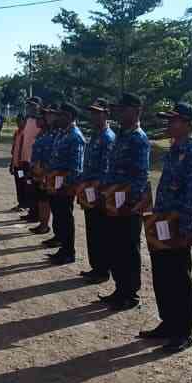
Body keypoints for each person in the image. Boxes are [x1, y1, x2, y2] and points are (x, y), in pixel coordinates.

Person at [140, 103, 192, 354]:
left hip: (178, 223)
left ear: (189, 124)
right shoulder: (174, 150)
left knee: (179, 277)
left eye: (175, 120)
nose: (170, 124)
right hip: (162, 220)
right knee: (162, 274)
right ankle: (168, 323)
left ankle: (183, 331)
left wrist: (186, 226)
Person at [98, 92, 151, 312]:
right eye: (117, 109)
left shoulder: (138, 138)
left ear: (136, 111)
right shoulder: (121, 135)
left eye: (123, 109)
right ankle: (120, 288)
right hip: (113, 199)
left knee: (129, 248)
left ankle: (130, 293)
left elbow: (140, 175)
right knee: (116, 246)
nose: (118, 112)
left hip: (128, 203)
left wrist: (129, 201)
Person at [78, 99, 116, 283]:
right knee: (92, 231)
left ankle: (102, 270)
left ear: (106, 114)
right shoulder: (95, 135)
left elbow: (106, 170)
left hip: (99, 193)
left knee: (101, 233)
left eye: (98, 113)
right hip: (89, 191)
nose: (94, 116)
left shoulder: (108, 137)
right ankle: (96, 267)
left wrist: (99, 193)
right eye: (92, 113)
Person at [46, 103, 85, 266]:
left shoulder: (75, 136)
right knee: (59, 217)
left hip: (65, 186)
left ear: (69, 116)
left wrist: (65, 185)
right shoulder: (62, 133)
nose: (57, 117)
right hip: (56, 182)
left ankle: (69, 252)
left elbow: (76, 166)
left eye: (61, 115)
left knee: (65, 218)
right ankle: (62, 248)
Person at [16, 97, 44, 222]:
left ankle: (37, 214)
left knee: (37, 189)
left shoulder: (41, 122)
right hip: (26, 160)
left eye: (33, 105)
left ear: (39, 106)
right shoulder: (28, 120)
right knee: (29, 187)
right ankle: (31, 212)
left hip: (36, 161)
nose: (30, 108)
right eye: (28, 106)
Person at [29, 111, 56, 236]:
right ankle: (42, 224)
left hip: (47, 171)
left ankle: (45, 225)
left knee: (46, 200)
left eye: (48, 115)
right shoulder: (44, 132)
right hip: (38, 170)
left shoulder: (55, 133)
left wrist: (45, 170)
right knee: (41, 198)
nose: (46, 117)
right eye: (45, 115)